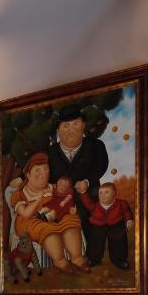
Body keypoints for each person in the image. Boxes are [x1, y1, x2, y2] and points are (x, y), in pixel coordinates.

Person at [10, 152, 89, 273]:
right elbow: (25, 214)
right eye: (37, 170)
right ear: (28, 175)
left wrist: (71, 208)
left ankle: (77, 258)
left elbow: (66, 199)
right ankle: (60, 260)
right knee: (45, 228)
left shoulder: (54, 188)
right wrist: (39, 198)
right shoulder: (19, 194)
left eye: (46, 169)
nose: (43, 173)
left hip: (55, 215)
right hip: (30, 220)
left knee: (71, 220)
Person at [48, 104, 109, 237]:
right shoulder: (50, 152)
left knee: (92, 235)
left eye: (75, 124)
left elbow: (101, 166)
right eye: (65, 126)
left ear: (83, 125)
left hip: (88, 201)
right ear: (58, 129)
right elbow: (42, 171)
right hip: (60, 204)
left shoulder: (95, 145)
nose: (70, 130)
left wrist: (87, 182)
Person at [76, 181, 134, 269]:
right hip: (98, 224)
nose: (102, 195)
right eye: (100, 193)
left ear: (114, 193)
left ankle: (119, 260)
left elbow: (126, 212)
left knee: (118, 241)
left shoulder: (121, 203)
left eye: (106, 192)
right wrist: (83, 192)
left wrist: (129, 220)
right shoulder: (95, 205)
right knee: (95, 241)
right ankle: (94, 259)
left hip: (116, 223)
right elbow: (87, 203)